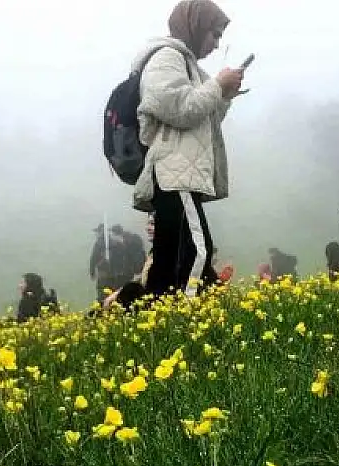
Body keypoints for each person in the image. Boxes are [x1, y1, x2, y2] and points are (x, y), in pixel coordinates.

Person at [133, 0, 245, 298]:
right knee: (198, 251)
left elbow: (207, 118)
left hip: (181, 172)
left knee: (169, 257)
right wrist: (217, 85)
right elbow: (180, 109)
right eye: (214, 33)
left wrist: (225, 94)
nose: (216, 43)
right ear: (195, 27)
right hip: (174, 171)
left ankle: (158, 318)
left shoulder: (188, 66)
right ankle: (185, 320)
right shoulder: (165, 58)